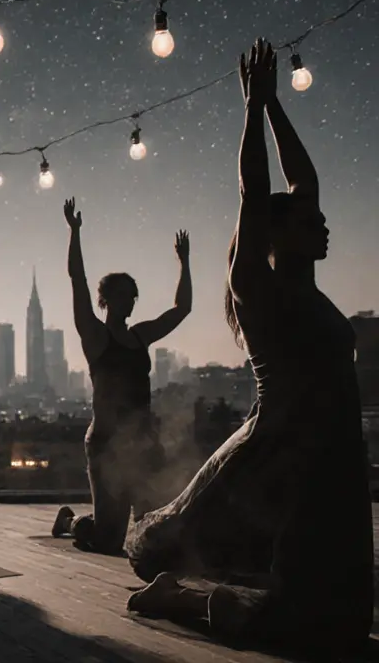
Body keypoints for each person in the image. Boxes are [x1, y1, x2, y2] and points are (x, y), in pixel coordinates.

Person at [124, 39, 373, 657]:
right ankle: (173, 594)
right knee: (291, 622)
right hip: (283, 453)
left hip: (334, 455)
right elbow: (254, 190)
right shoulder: (256, 289)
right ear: (274, 233)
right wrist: (252, 107)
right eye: (307, 221)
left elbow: (303, 180)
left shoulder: (304, 285)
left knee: (342, 615)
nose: (323, 224)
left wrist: (277, 106)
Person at [50, 198, 192, 554]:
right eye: (122, 296)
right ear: (106, 301)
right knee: (108, 539)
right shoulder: (96, 337)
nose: (129, 302)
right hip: (106, 446)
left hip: (143, 442)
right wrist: (74, 232)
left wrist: (184, 262)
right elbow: (76, 279)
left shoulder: (140, 335)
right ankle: (69, 521)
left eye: (132, 296)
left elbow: (181, 310)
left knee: (156, 527)